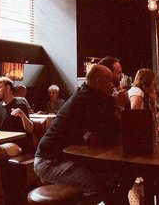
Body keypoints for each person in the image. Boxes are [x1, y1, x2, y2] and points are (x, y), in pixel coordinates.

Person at [34, 65, 128, 204]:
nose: (113, 85)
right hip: (49, 160)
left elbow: (110, 134)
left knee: (112, 178)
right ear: (97, 81)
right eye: (109, 81)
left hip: (67, 157)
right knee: (96, 188)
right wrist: (117, 106)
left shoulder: (94, 97)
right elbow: (110, 132)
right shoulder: (85, 99)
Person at [0, 77, 34, 204]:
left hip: (17, 145)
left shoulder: (19, 105)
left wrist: (22, 115)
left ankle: (0, 193)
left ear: (8, 88)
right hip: (0, 143)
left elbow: (30, 129)